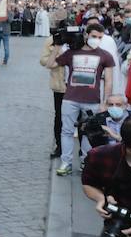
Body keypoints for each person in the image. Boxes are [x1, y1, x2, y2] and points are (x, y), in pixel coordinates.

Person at [55, 23, 115, 176]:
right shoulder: (72, 52)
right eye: (94, 36)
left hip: (93, 101)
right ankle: (66, 162)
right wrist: (57, 45)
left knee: (90, 132)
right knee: (66, 131)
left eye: (100, 37)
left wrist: (105, 102)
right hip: (70, 99)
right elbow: (50, 64)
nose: (97, 40)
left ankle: (86, 161)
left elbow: (109, 80)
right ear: (86, 35)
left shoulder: (105, 55)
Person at [41, 31, 67, 159]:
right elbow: (44, 61)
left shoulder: (83, 39)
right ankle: (59, 145)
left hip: (77, 86)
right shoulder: (53, 41)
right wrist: (57, 52)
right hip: (60, 85)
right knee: (59, 116)